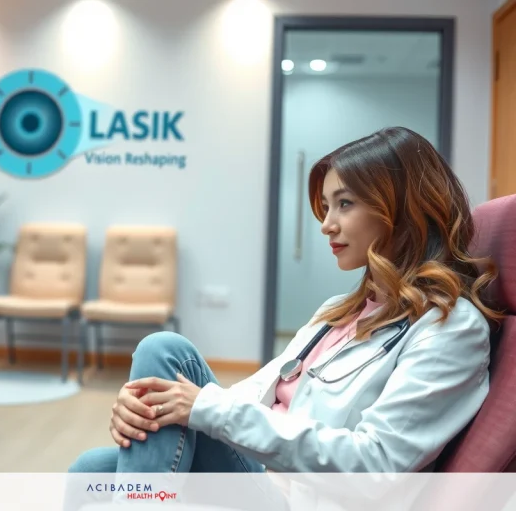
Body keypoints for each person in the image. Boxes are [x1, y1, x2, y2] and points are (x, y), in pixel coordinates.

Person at [66, 127, 503, 506]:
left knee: (165, 350)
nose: (326, 225)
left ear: (403, 209)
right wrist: (153, 408)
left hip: (307, 498)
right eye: (327, 207)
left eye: (344, 204)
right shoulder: (339, 312)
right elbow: (254, 395)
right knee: (91, 472)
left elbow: (375, 466)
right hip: (266, 477)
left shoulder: (449, 327)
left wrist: (202, 406)